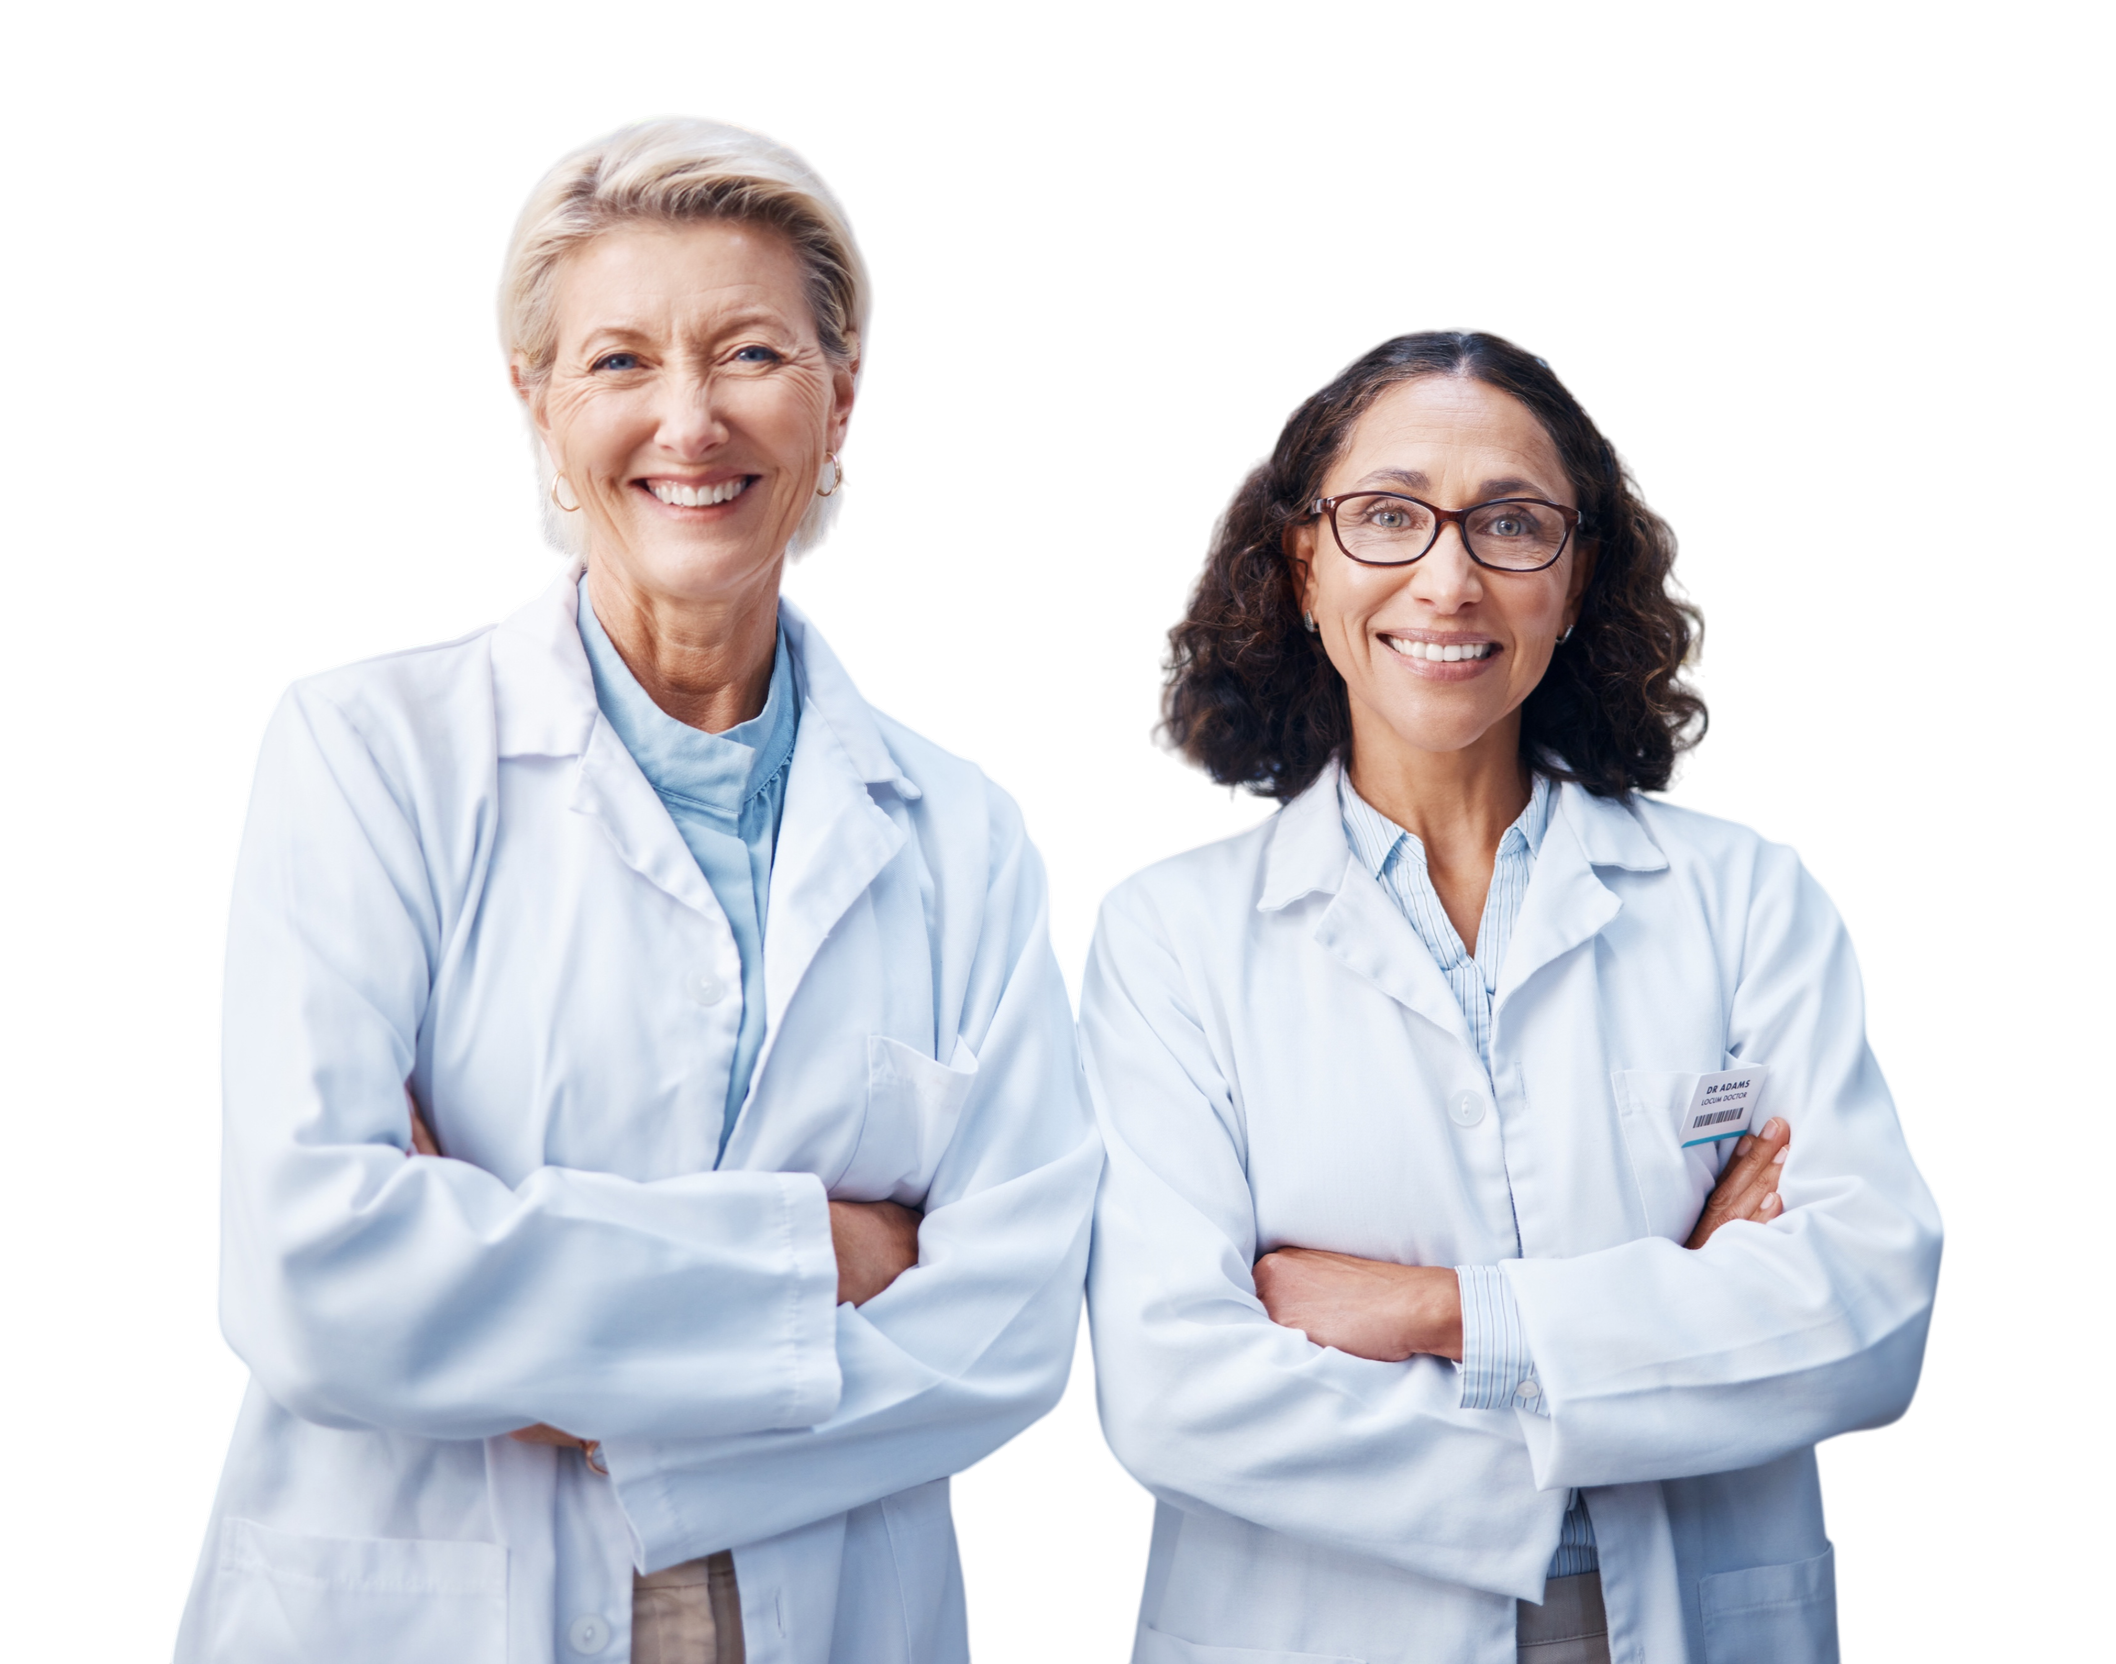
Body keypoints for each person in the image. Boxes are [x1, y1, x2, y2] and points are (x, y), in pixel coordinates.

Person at [176, 116, 1100, 1664]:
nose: (691, 421)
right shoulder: (366, 751)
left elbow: (1012, 1332)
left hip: (836, 1612)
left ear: (841, 398)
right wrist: (824, 1253)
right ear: (535, 401)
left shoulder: (962, 832)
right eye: (618, 363)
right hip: (424, 1605)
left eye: (751, 353)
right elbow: (313, 1269)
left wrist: (545, 1324)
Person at [1079, 328, 1942, 1664]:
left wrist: (1442, 1317)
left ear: (1578, 577)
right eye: (1386, 518)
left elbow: (1871, 1316)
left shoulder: (1743, 899)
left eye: (1512, 525)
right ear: (1304, 565)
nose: (1449, 577)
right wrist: (1667, 1333)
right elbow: (1175, 1392)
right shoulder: (1169, 937)